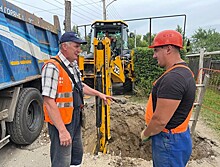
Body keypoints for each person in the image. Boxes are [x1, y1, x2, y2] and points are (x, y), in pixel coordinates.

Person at [41, 31, 112, 167]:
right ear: (64, 47)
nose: (80, 50)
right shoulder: (52, 67)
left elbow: (79, 86)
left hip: (75, 118)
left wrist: (99, 94)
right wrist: (62, 131)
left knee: (76, 158)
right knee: (62, 161)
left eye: (80, 47)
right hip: (61, 122)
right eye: (76, 46)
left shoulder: (73, 65)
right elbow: (49, 102)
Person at [140, 30, 196, 167]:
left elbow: (159, 121)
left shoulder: (173, 79)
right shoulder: (184, 72)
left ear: (168, 49)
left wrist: (146, 133)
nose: (154, 56)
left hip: (169, 141)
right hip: (177, 137)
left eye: (156, 50)